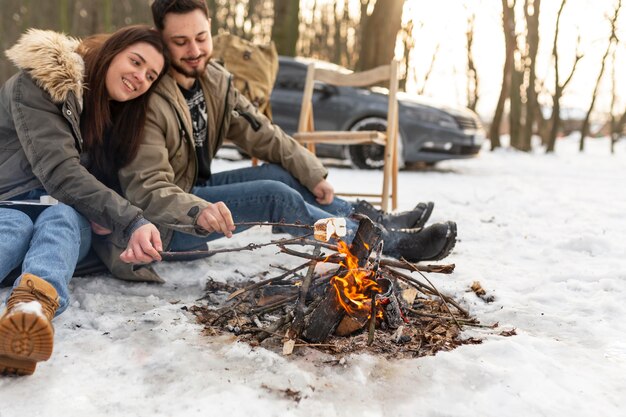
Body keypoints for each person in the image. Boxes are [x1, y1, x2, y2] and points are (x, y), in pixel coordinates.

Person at [92, 0, 457, 283]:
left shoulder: (214, 81)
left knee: (282, 174)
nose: (194, 50)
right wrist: (197, 211)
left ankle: (374, 220)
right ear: (161, 40)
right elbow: (147, 189)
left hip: (192, 189)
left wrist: (312, 172)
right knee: (274, 198)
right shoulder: (149, 101)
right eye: (180, 42)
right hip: (161, 226)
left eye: (201, 38)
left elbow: (261, 131)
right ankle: (376, 243)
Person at [0, 25, 168, 376]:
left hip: (65, 219)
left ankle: (29, 313)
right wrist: (130, 220)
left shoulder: (111, 113)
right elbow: (60, 172)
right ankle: (26, 312)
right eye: (135, 62)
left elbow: (98, 184)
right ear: (111, 52)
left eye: (150, 75)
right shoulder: (39, 84)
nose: (140, 77)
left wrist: (104, 214)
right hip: (10, 203)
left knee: (62, 219)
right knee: (13, 228)